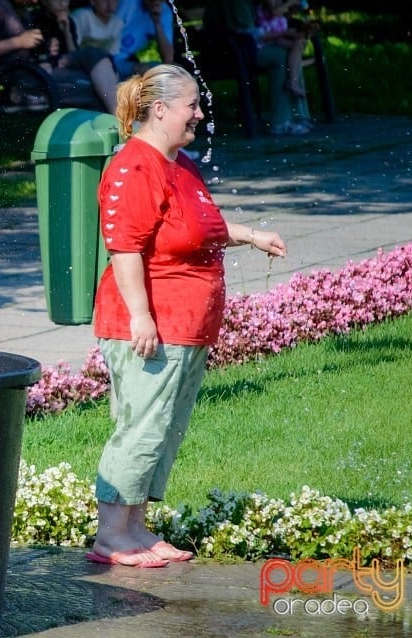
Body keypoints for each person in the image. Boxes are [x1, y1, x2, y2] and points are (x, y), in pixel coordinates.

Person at [87, 64, 287, 567]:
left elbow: (201, 225)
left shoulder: (178, 162)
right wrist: (141, 317)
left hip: (186, 325)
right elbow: (125, 250)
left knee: (164, 427)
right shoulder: (135, 166)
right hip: (152, 324)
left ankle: (135, 528)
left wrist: (249, 234)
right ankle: (111, 534)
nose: (200, 113)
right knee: (141, 426)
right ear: (160, 110)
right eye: (191, 105)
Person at [0, 0, 119, 113]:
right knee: (91, 88)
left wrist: (46, 47)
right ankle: (119, 128)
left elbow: (27, 49)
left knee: (94, 66)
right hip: (19, 83)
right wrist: (18, 42)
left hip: (34, 74)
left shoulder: (24, 12)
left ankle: (119, 126)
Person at [203, 0, 311, 135]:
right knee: (280, 57)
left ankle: (297, 116)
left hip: (240, 48)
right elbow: (248, 33)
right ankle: (281, 123)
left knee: (291, 52)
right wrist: (283, 34)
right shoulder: (238, 3)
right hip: (234, 52)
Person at [256, 0, 314, 101]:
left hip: (278, 31)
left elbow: (283, 14)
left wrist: (295, 8)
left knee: (300, 43)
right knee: (297, 44)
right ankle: (294, 78)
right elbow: (274, 12)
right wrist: (290, 3)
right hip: (267, 34)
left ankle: (293, 80)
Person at [113, 0, 175, 79]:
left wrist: (157, 22)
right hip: (108, 57)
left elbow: (168, 58)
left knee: (171, 71)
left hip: (125, 61)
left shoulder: (165, 12)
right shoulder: (128, 3)